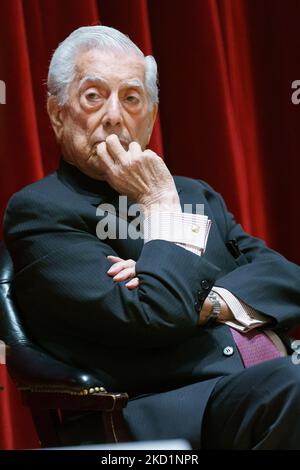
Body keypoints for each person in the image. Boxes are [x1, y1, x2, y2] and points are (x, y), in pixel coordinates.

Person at [4, 25, 300, 449]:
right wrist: (159, 203)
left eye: (130, 98)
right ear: (57, 112)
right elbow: (154, 315)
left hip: (269, 385)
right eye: (93, 96)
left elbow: (286, 278)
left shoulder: (196, 194)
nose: (113, 116)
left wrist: (209, 301)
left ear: (151, 117)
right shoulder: (42, 211)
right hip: (168, 407)